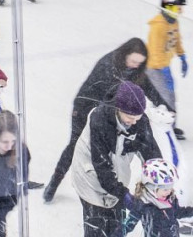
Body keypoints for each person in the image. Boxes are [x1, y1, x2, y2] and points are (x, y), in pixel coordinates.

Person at [72, 81, 164, 237]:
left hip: (117, 175)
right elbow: (102, 167)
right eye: (129, 115)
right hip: (90, 177)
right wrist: (124, 196)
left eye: (138, 115)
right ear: (117, 108)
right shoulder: (100, 120)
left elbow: (151, 153)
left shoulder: (139, 121)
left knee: (116, 222)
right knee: (96, 233)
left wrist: (159, 183)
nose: (135, 120)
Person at [43, 38, 170, 202]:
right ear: (125, 54)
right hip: (85, 107)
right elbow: (107, 99)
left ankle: (108, 186)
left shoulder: (136, 71)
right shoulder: (108, 66)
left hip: (109, 110)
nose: (135, 65)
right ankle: (54, 182)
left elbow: (148, 87)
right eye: (133, 61)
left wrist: (164, 106)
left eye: (140, 62)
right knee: (74, 146)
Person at [145, 0, 189, 130]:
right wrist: (164, 71)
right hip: (153, 68)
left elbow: (176, 41)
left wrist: (182, 56)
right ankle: (167, 126)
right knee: (166, 97)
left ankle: (169, 125)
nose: (181, 11)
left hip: (163, 65)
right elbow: (156, 52)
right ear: (169, 7)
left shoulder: (173, 22)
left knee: (169, 96)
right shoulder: (158, 27)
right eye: (178, 8)